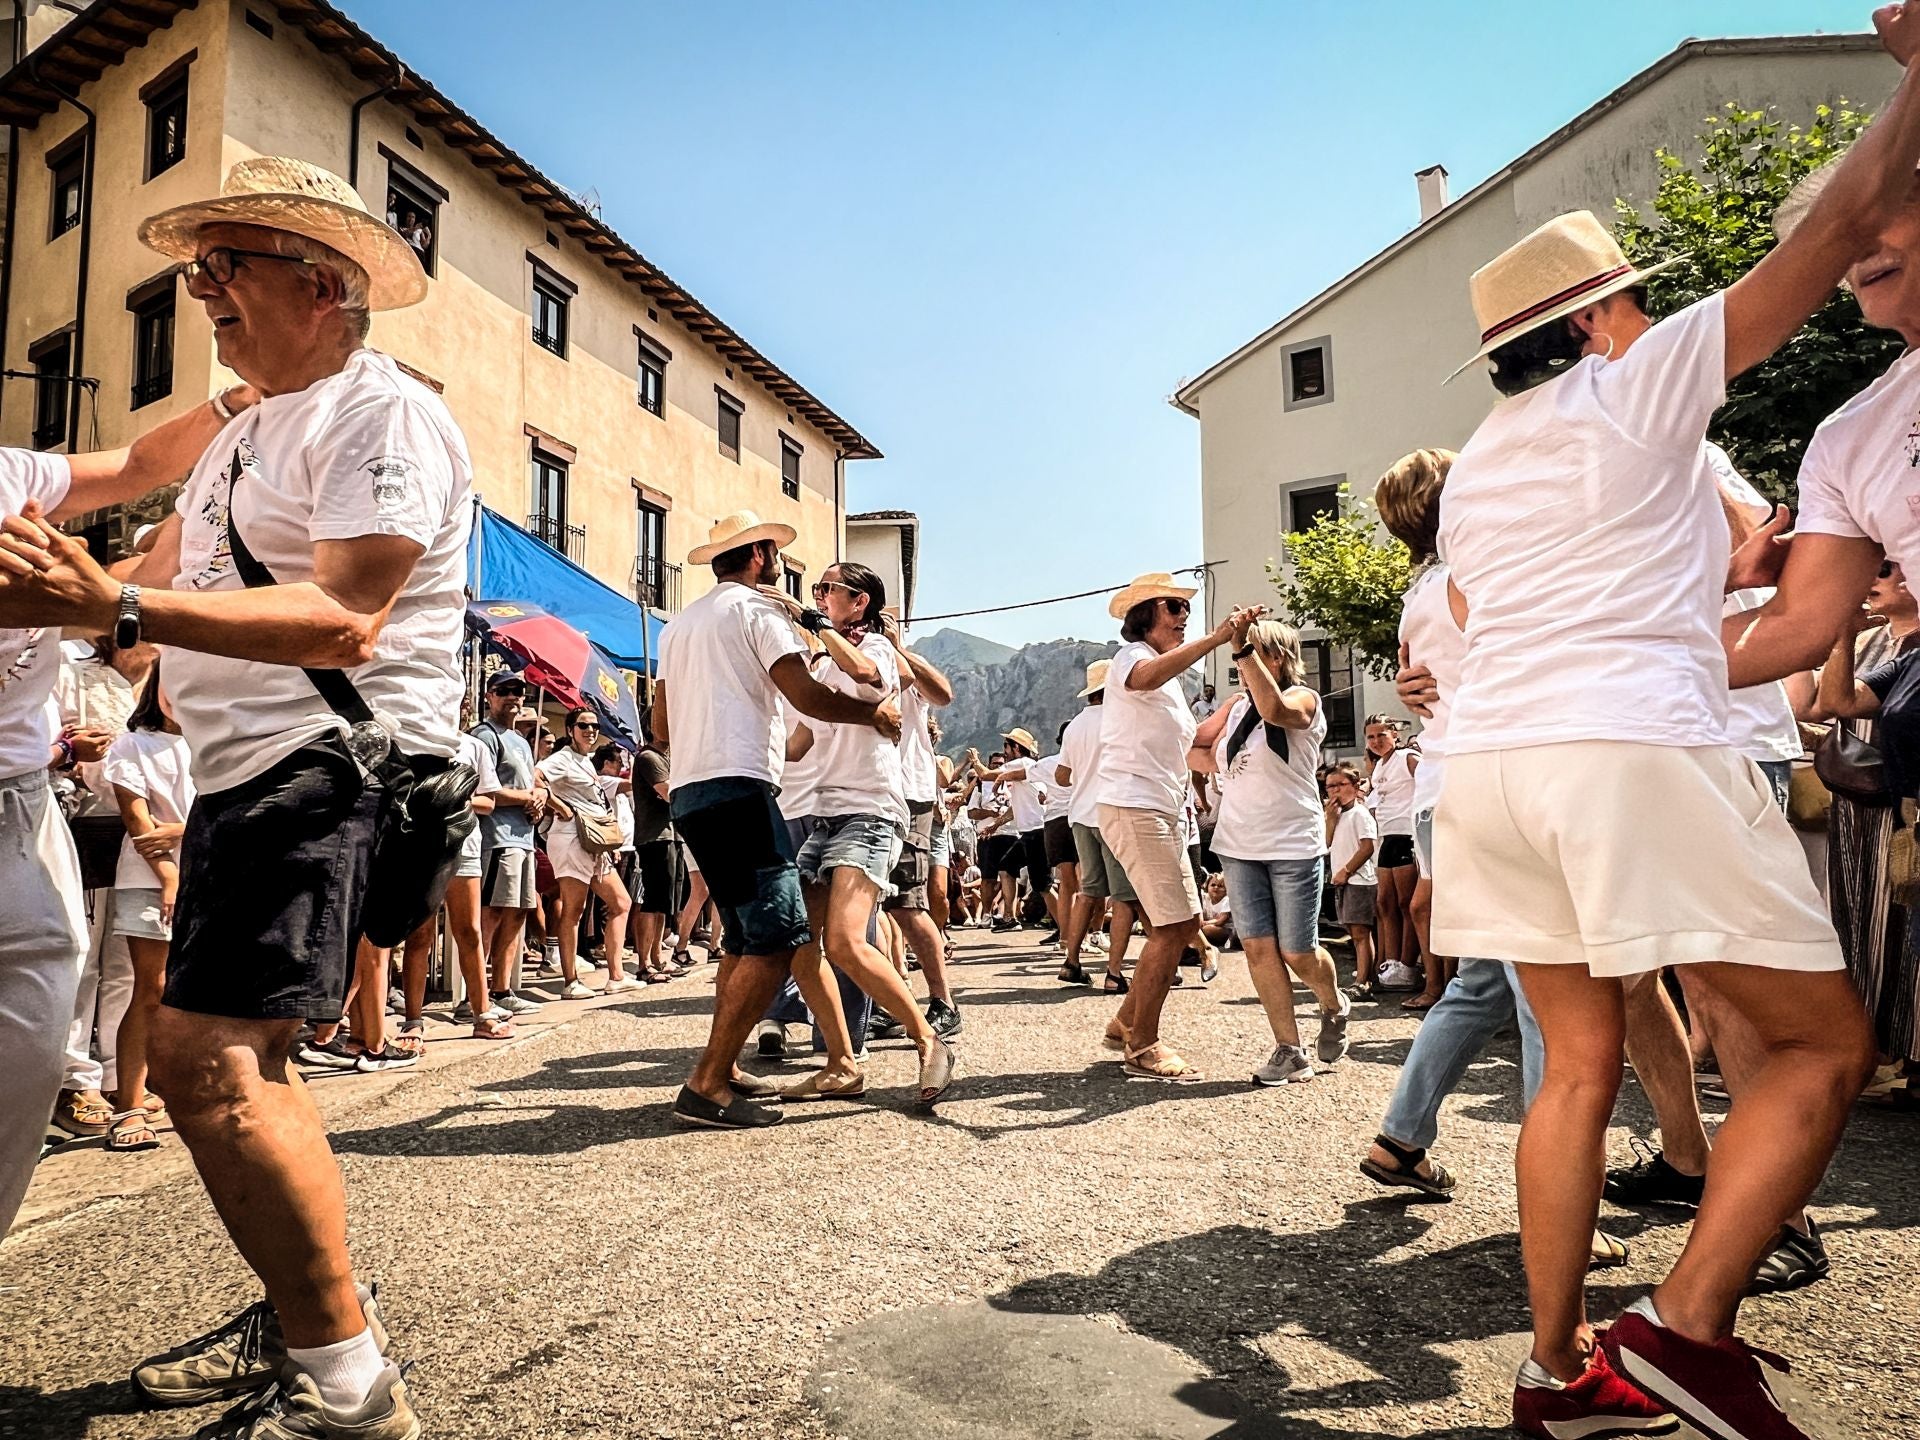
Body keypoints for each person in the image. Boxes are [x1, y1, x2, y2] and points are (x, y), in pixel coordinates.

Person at [1427, 36, 1920, 1425]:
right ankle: (1682, 1330)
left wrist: (1710, 573)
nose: (1656, 324)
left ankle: (1553, 1366)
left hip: (1495, 761)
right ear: (1597, 320)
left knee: (1575, 1066)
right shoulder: (1632, 387)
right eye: (1639, 305)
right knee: (1823, 1045)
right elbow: (1827, 234)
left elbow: (1499, 599)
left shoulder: (1479, 465)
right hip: (1626, 748)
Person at [0, 156, 478, 1432]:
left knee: (203, 1058)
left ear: (321, 283)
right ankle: (305, 1307)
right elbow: (135, 603)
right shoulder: (245, 435)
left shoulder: (378, 415)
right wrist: (67, 601)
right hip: (245, 773)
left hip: (326, 763)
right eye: (195, 265)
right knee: (248, 1062)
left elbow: (346, 615)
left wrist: (113, 603)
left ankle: (347, 1386)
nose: (197, 286)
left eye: (225, 264)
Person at [651, 512, 919, 1129]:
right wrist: (869, 717)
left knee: (745, 937)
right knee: (779, 937)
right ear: (761, 554)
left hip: (693, 791)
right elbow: (806, 695)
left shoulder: (679, 625)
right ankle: (708, 1084)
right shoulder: (757, 612)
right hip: (741, 785)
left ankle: (727, 1065)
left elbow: (660, 727)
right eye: (776, 554)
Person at [769, 562, 961, 1100]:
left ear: (859, 603)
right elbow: (801, 739)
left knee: (848, 942)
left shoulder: (875, 645)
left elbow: (869, 677)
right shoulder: (822, 661)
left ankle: (928, 1040)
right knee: (800, 944)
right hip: (829, 813)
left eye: (830, 589)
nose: (820, 595)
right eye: (818, 589)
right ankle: (841, 1063)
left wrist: (814, 623)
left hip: (871, 810)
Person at [1094, 571, 1259, 1082]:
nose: (1183, 615)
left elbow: (1198, 745)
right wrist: (1216, 637)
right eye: (1173, 606)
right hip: (1137, 805)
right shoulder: (1132, 660)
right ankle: (1143, 1045)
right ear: (1146, 615)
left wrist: (1241, 703)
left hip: (1159, 808)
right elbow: (1146, 678)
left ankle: (1126, 1023)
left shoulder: (1168, 685)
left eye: (1184, 608)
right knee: (1170, 928)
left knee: (1181, 924)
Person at [1187, 618, 1352, 1086]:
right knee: (1258, 948)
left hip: (1291, 841)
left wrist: (1242, 652)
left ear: (1276, 657)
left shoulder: (1304, 698)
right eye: (1240, 654)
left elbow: (1280, 713)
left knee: (1298, 951)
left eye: (1252, 653)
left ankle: (1334, 1002)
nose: (1240, 663)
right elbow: (1198, 750)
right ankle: (1289, 1049)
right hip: (1239, 844)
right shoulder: (1238, 707)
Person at [101, 662, 194, 1152]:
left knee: (197, 996)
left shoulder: (213, 741)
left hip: (208, 879)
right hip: (147, 882)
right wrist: (170, 875)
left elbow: (215, 815)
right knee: (150, 989)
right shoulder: (132, 743)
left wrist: (179, 831)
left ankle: (181, 1088)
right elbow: (139, 823)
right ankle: (128, 1104)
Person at [879, 614, 963, 1039]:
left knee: (907, 905)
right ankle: (890, 1002)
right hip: (861, 792)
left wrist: (898, 646)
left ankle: (943, 1002)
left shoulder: (902, 664)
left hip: (908, 794)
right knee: (869, 910)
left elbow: (943, 694)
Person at [536, 708, 635, 998]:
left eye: (594, 725)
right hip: (570, 838)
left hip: (593, 841)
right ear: (570, 729)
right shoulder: (562, 758)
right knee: (574, 909)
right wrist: (560, 806)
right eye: (583, 725)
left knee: (621, 902)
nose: (590, 730)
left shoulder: (585, 762)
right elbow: (536, 777)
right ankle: (571, 981)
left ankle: (616, 975)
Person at [469, 672, 546, 1019]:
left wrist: (539, 797)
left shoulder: (520, 741)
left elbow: (532, 784)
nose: (513, 697)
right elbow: (484, 789)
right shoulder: (483, 736)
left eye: (519, 691)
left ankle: (501, 989)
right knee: (491, 913)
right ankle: (474, 994)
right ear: (489, 696)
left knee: (517, 913)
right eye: (504, 691)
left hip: (524, 837)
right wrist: (527, 797)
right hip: (496, 837)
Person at [1058, 659, 1135, 992]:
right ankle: (1114, 973)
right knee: (1123, 897)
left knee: (1088, 891)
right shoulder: (1120, 719)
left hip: (1080, 815)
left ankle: (1071, 962)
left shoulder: (1075, 725)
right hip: (1112, 813)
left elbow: (1062, 776)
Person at [971, 730, 1055, 932]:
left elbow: (984, 774)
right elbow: (1016, 807)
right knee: (1007, 867)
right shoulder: (1027, 768)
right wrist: (996, 824)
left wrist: (974, 759)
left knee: (1043, 887)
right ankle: (1011, 916)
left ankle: (1066, 930)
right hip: (1031, 832)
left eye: (1006, 748)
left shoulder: (1021, 764)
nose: (1004, 752)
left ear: (1016, 748)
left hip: (1036, 832)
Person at [1361, 716, 1421, 993]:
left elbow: (1428, 783)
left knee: (1406, 902)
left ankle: (1407, 966)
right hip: (1387, 835)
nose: (1376, 741)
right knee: (1385, 902)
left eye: (1381, 735)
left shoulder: (1407, 757)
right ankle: (1391, 960)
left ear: (1394, 734)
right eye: (1371, 737)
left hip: (1407, 831)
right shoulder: (1378, 766)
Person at [626, 733, 676, 981]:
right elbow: (668, 791)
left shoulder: (665, 758)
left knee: (664, 901)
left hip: (668, 834)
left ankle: (657, 956)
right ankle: (644, 963)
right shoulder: (648, 757)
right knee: (653, 899)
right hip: (653, 836)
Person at [1323, 765, 1378, 987]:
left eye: (1341, 785)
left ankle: (1363, 981)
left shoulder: (1360, 814)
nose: (1335, 790)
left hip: (1358, 881)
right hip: (1342, 881)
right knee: (1353, 931)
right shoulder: (1337, 815)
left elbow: (1367, 847)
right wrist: (1329, 819)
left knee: (1360, 933)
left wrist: (1346, 871)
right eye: (1330, 786)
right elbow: (1326, 843)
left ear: (1355, 787)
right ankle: (1366, 976)